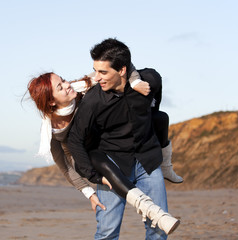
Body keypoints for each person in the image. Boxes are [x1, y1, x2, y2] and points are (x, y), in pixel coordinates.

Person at [68, 38, 179, 239]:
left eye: (103, 72)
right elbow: (75, 140)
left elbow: (154, 108)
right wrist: (93, 176)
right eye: (95, 70)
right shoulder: (93, 101)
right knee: (107, 232)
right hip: (113, 165)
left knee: (158, 229)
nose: (97, 78)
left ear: (122, 70)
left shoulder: (150, 80)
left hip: (147, 161)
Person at [26, 66, 152, 212]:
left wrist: (136, 82)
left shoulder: (83, 86)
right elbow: (65, 167)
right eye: (60, 87)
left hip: (106, 143)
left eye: (63, 80)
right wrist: (90, 193)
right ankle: (145, 206)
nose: (68, 85)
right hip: (85, 160)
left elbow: (118, 67)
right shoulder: (52, 129)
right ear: (51, 102)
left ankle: (163, 168)